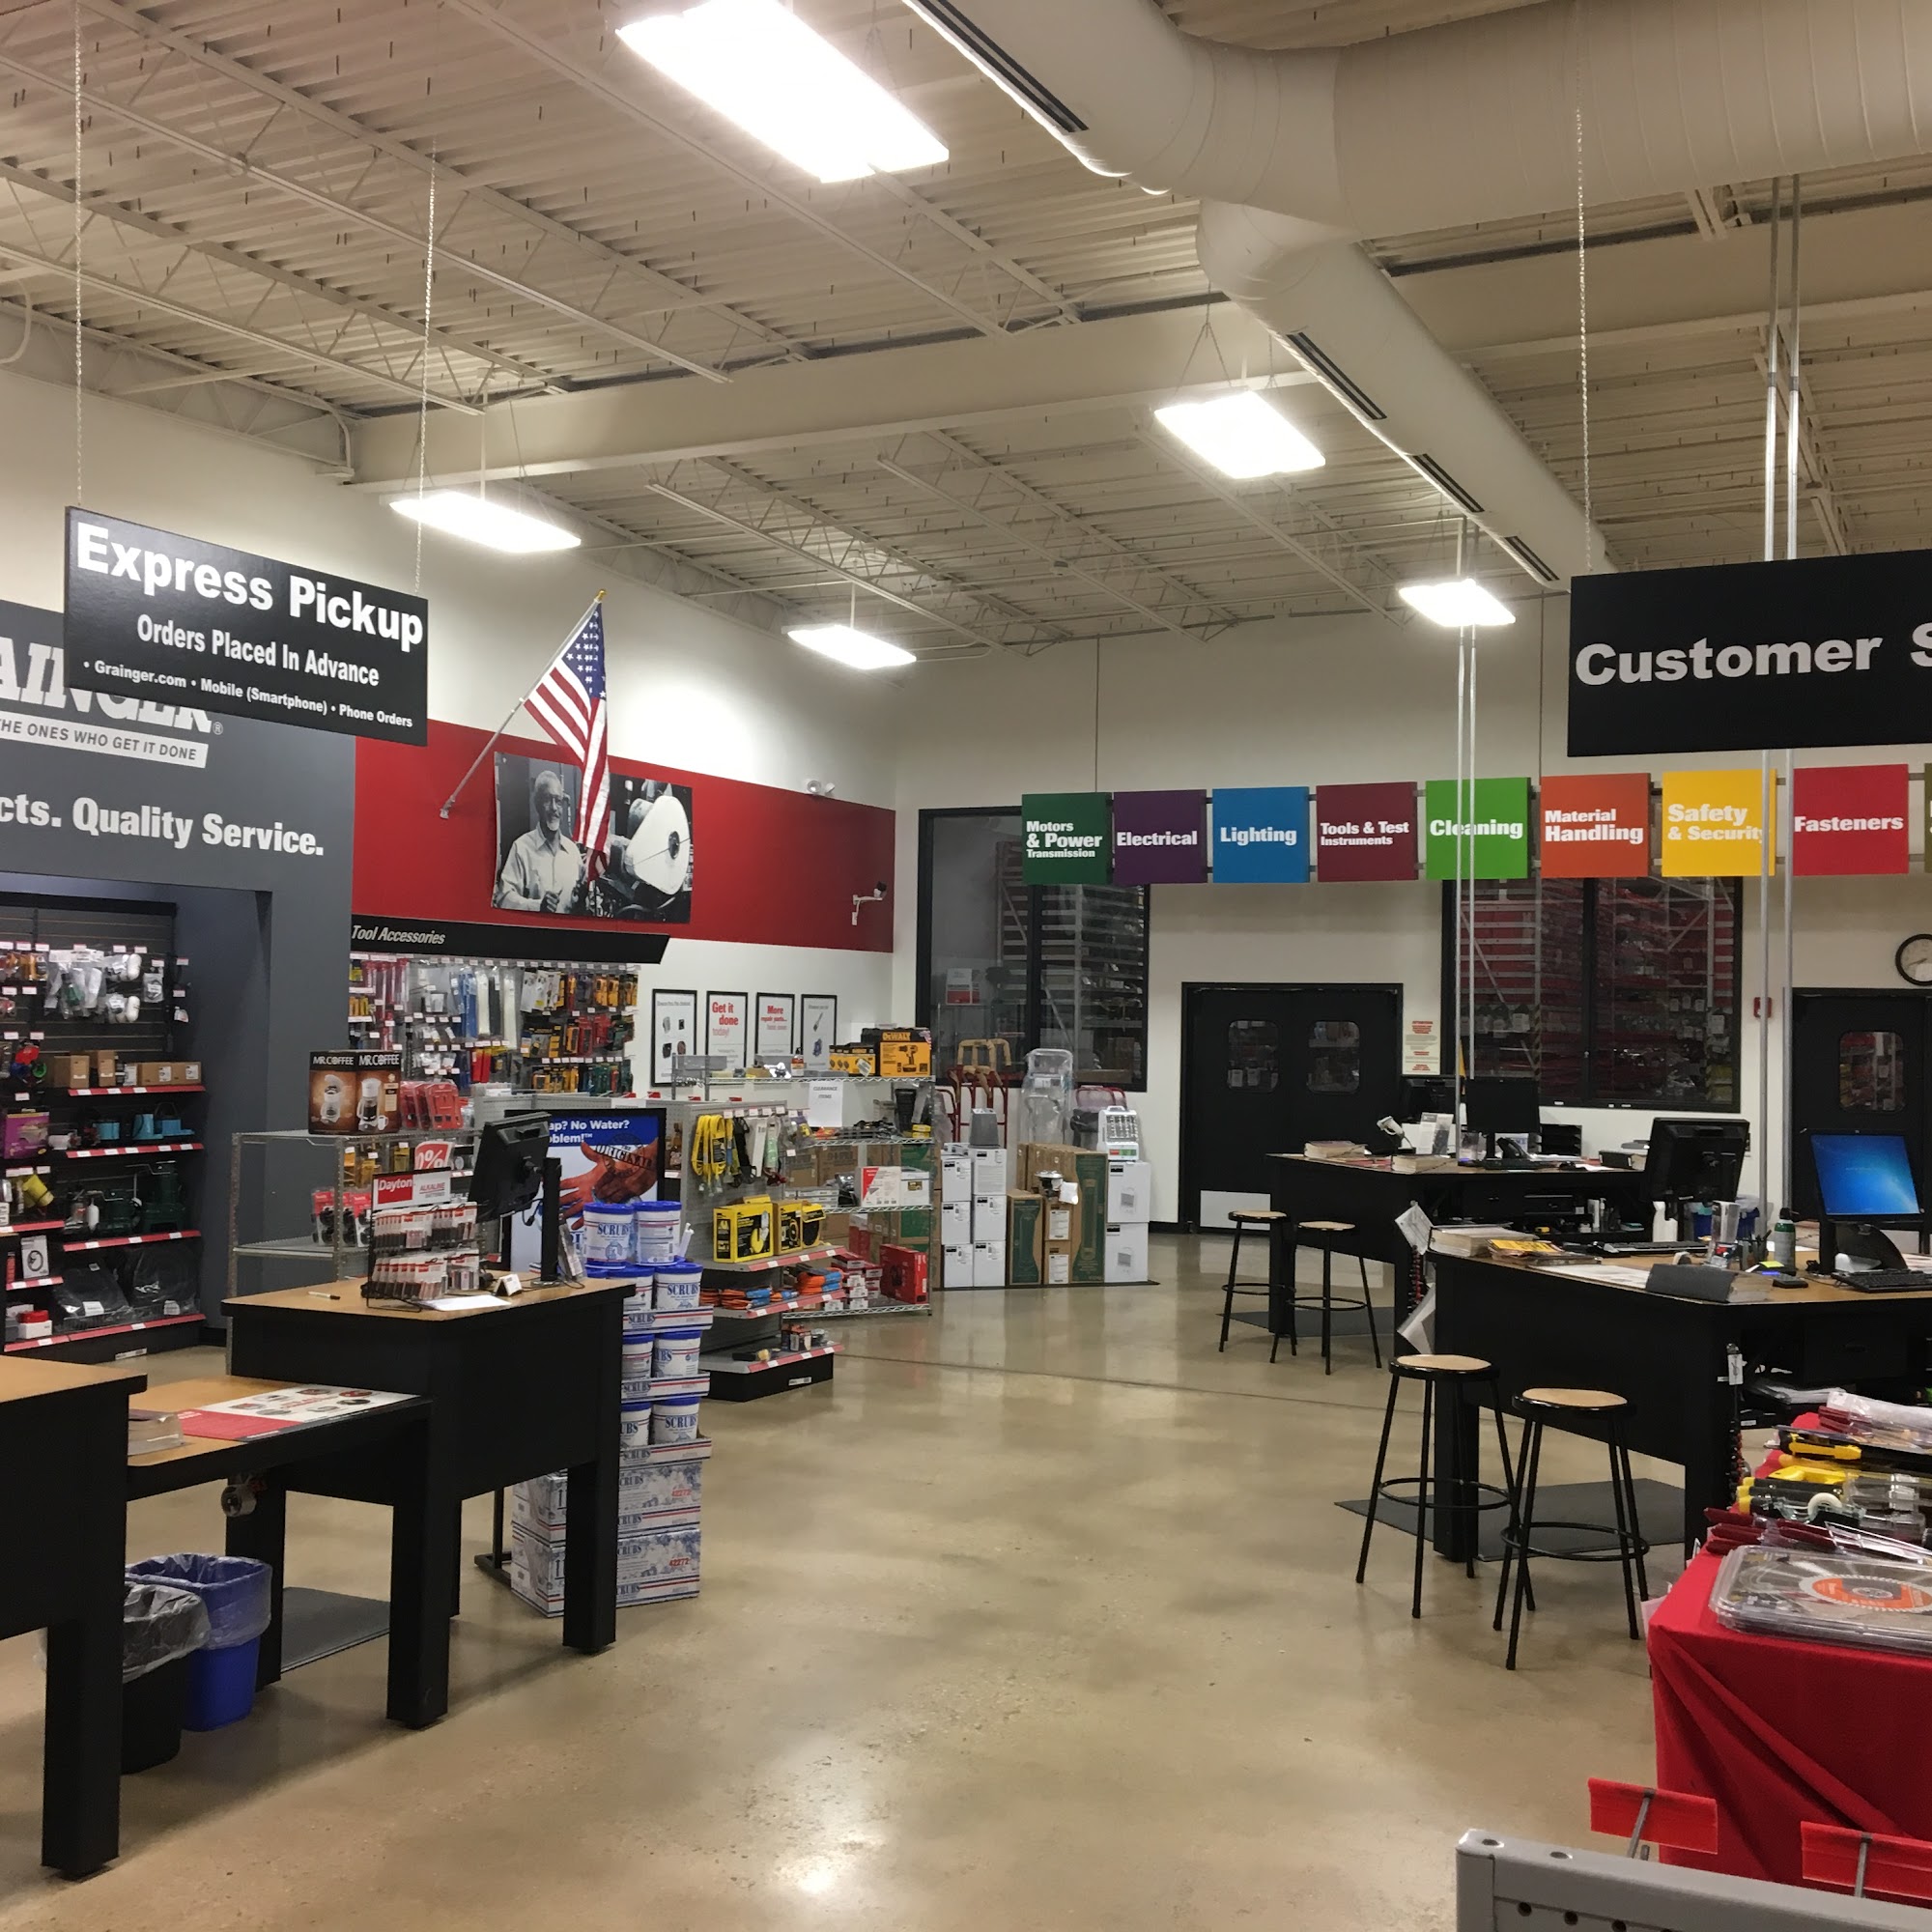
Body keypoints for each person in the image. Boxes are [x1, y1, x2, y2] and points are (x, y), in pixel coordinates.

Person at [496, 768, 584, 913]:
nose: (554, 808)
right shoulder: (521, 848)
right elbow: (504, 899)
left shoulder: (573, 852)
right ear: (537, 804)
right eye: (547, 800)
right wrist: (538, 906)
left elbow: (579, 905)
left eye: (558, 801)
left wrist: (581, 899)